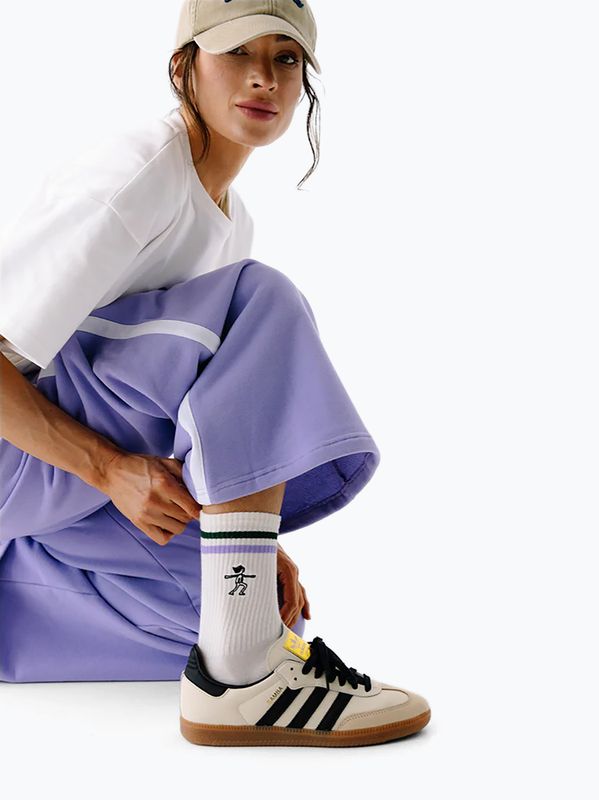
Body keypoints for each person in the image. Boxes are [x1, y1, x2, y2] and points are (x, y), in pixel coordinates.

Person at [0, 0, 430, 747]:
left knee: (247, 614)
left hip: (46, 483)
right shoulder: (135, 176)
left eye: (286, 58)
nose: (264, 78)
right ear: (185, 67)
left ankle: (207, 650)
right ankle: (242, 678)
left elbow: (220, 411)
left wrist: (252, 543)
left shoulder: (233, 222)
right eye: (237, 53)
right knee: (263, 301)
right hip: (24, 454)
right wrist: (108, 470)